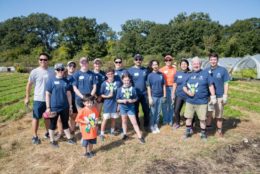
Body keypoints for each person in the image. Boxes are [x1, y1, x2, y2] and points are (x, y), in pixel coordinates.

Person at [183, 57, 216, 140]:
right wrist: (188, 92)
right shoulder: (189, 74)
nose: (196, 65)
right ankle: (188, 133)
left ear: (200, 64)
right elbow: (184, 87)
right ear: (192, 65)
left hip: (202, 101)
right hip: (190, 101)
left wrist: (213, 96)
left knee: (202, 119)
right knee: (188, 118)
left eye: (197, 63)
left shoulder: (206, 74)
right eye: (194, 64)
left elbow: (211, 85)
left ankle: (203, 134)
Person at [24, 52, 54, 144]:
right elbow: (29, 85)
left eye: (45, 59)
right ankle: (35, 136)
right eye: (41, 59)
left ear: (48, 61)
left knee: (47, 117)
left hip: (49, 99)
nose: (43, 61)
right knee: (36, 118)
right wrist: (27, 97)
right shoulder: (34, 71)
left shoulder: (52, 71)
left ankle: (48, 133)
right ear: (38, 60)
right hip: (38, 99)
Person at [45, 63, 76, 147]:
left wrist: (70, 106)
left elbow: (69, 94)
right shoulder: (51, 80)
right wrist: (48, 107)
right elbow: (47, 94)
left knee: (65, 122)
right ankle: (52, 141)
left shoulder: (66, 81)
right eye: (58, 69)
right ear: (55, 71)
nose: (60, 71)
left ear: (64, 70)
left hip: (65, 106)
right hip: (54, 107)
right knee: (53, 124)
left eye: (62, 69)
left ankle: (69, 138)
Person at [205, 53, 230, 137]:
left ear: (217, 60)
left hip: (219, 96)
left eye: (214, 60)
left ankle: (219, 130)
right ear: (209, 60)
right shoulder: (206, 70)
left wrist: (225, 95)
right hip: (209, 97)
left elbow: (226, 83)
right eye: (211, 59)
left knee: (218, 115)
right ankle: (208, 130)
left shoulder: (223, 70)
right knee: (209, 114)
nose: (213, 61)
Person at [116, 74, 145, 144]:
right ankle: (125, 134)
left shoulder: (133, 89)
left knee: (134, 122)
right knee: (124, 121)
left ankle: (140, 136)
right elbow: (117, 99)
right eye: (125, 80)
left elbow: (136, 98)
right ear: (122, 80)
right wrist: (123, 101)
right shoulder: (119, 89)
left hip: (130, 108)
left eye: (128, 80)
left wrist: (132, 101)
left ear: (130, 80)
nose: (126, 82)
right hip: (123, 107)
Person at [127, 54, 149, 129]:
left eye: (140, 59)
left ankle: (146, 125)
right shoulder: (130, 70)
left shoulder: (145, 70)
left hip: (144, 93)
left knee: (146, 110)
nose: (138, 61)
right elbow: (127, 82)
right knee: (135, 111)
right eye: (136, 59)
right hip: (135, 94)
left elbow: (148, 81)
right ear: (134, 61)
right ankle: (137, 125)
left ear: (142, 60)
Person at [100, 68, 121, 141]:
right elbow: (101, 94)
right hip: (107, 104)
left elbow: (120, 94)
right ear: (106, 75)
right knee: (105, 119)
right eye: (108, 74)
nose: (110, 75)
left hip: (115, 103)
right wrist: (107, 96)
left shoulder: (118, 83)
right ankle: (102, 133)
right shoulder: (103, 83)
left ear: (114, 74)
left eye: (111, 74)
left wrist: (119, 104)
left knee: (113, 118)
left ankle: (112, 131)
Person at [147, 60, 166, 133]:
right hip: (153, 97)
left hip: (160, 96)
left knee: (158, 112)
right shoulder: (150, 75)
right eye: (153, 65)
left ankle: (156, 125)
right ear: (152, 66)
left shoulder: (161, 75)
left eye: (156, 64)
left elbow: (163, 85)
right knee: (152, 112)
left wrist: (164, 96)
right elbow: (148, 87)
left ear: (158, 65)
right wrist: (150, 98)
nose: (155, 66)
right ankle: (151, 125)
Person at [172, 59, 191, 129]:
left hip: (188, 95)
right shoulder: (177, 73)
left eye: (185, 64)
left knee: (190, 110)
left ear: (188, 65)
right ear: (180, 65)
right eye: (182, 64)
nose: (184, 65)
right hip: (179, 95)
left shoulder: (190, 73)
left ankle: (191, 123)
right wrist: (173, 94)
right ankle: (177, 123)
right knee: (176, 110)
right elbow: (174, 84)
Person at [159, 55, 176, 126]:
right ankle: (165, 120)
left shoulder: (174, 69)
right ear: (164, 61)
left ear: (171, 61)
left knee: (171, 104)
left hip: (172, 87)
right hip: (164, 88)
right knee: (164, 104)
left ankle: (171, 120)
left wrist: (173, 92)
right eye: (166, 60)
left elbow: (176, 81)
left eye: (169, 60)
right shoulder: (161, 70)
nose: (168, 61)